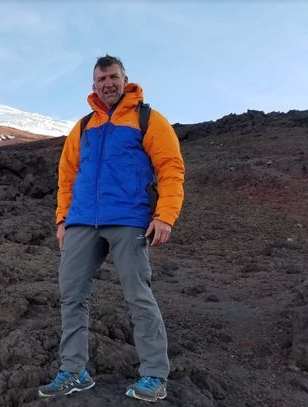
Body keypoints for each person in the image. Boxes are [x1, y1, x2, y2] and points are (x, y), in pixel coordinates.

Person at [38, 55, 185, 402]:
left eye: (113, 77)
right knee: (72, 296)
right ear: (93, 85)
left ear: (125, 79)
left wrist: (165, 215)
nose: (108, 83)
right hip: (82, 222)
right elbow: (67, 176)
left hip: (129, 220)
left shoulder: (147, 119)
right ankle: (74, 370)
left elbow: (170, 168)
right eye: (101, 78)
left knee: (138, 296)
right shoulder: (83, 127)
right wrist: (62, 220)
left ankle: (154, 375)